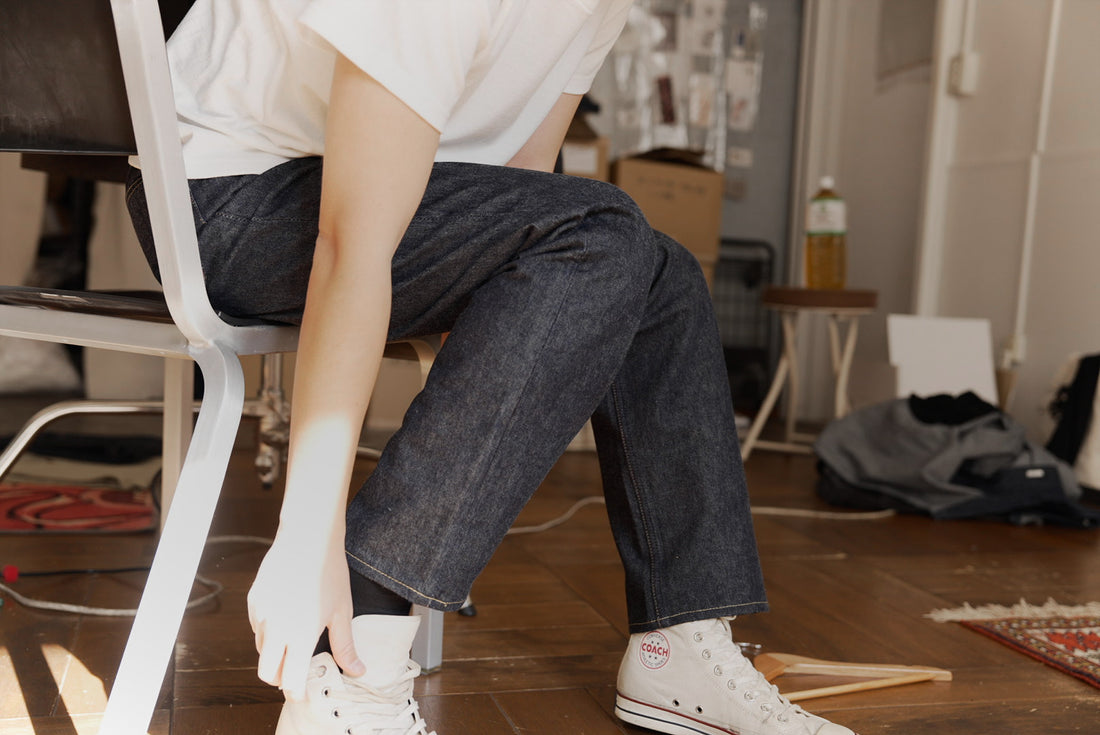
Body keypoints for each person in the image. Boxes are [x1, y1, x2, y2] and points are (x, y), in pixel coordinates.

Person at [126, 2, 857, 734]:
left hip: (350, 185)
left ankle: (681, 643)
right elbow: (350, 243)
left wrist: (493, 362)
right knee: (603, 235)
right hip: (224, 193)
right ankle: (350, 653)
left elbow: (521, 188)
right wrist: (305, 535)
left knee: (657, 268)